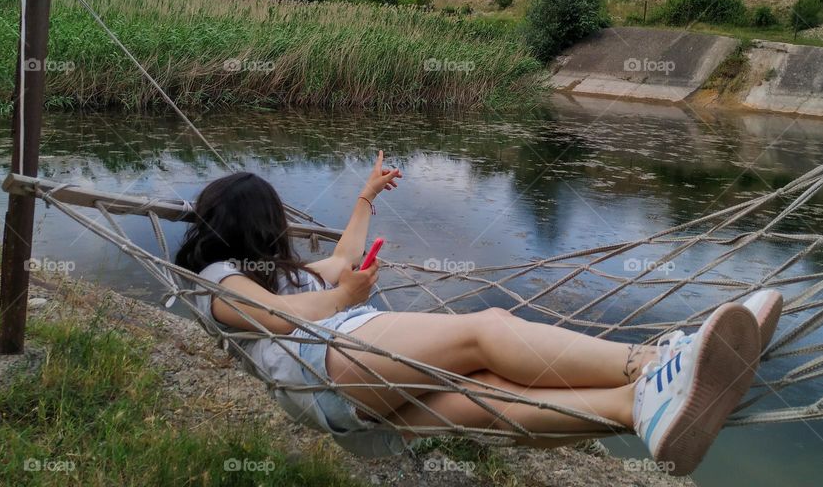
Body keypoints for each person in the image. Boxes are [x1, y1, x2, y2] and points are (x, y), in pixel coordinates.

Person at [175, 152, 783, 476]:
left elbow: (341, 258)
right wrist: (343, 300)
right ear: (261, 228)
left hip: (339, 398)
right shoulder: (215, 282)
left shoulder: (283, 276)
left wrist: (364, 198)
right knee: (485, 330)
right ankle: (652, 362)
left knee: (493, 399)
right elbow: (273, 317)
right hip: (326, 361)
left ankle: (642, 412)